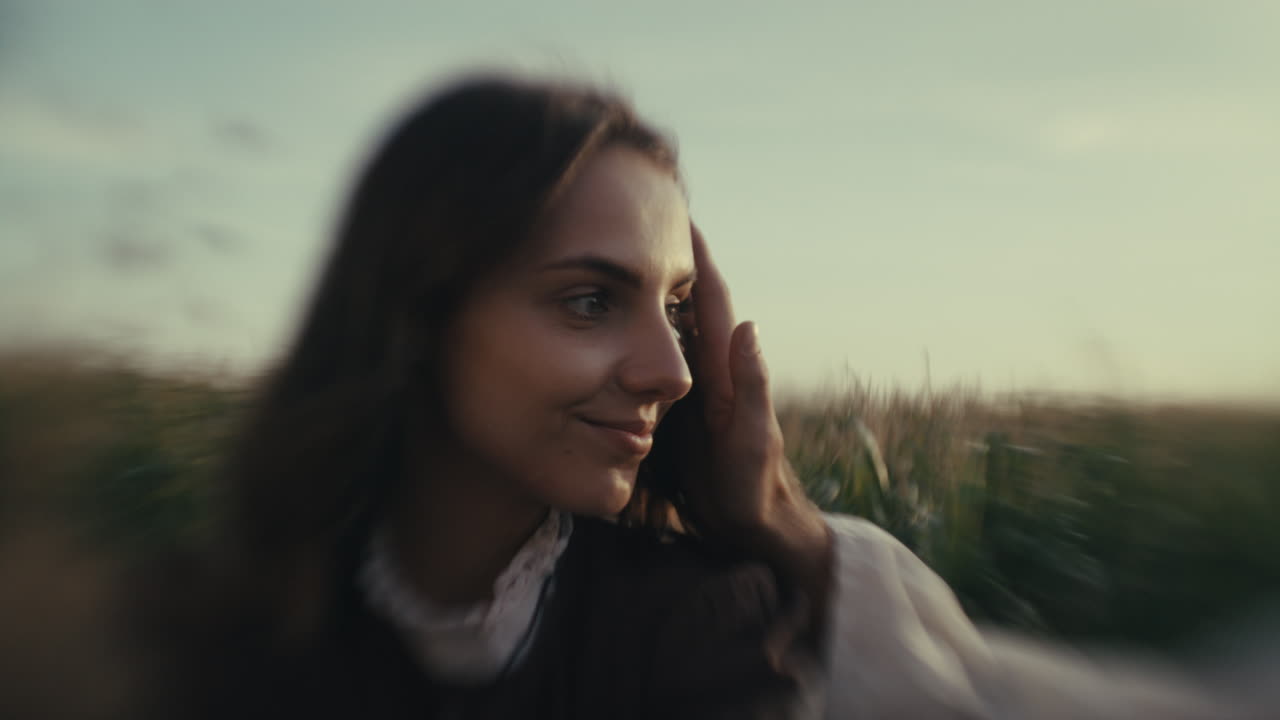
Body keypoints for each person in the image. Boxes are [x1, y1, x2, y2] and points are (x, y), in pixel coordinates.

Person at [154, 74, 1274, 719]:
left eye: (677, 309)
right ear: (414, 312)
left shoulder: (696, 630)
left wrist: (771, 520)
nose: (673, 371)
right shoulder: (238, 621)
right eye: (590, 300)